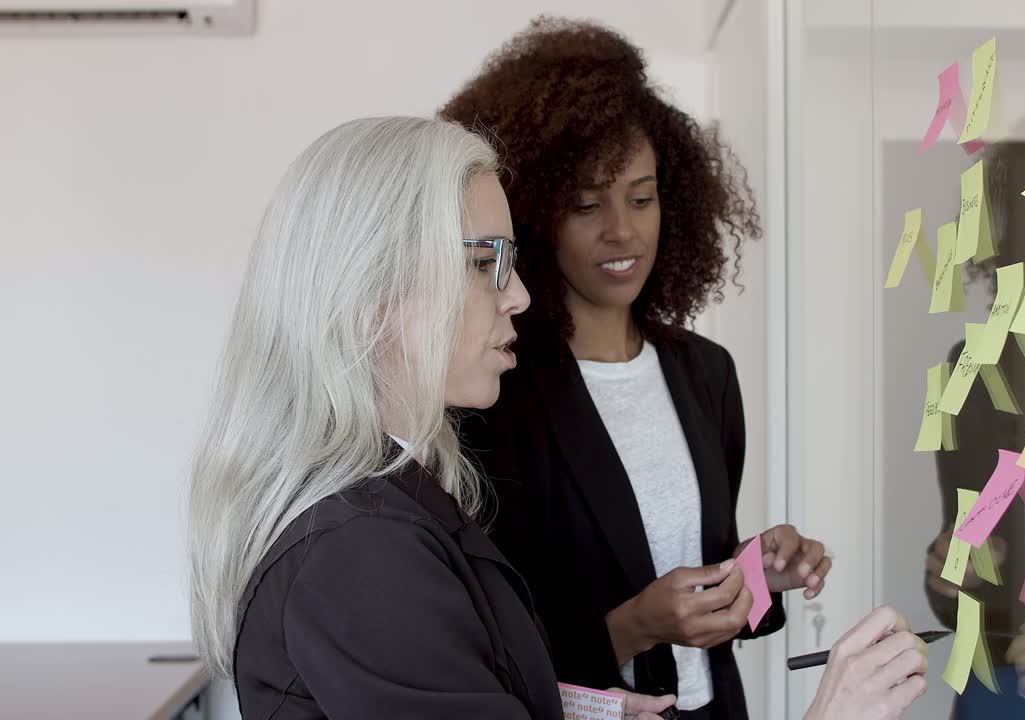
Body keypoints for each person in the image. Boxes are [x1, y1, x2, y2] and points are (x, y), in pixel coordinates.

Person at [187, 116, 927, 719]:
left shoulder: (395, 495)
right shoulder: (357, 551)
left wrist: (578, 710)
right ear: (373, 286)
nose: (518, 298)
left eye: (642, 198)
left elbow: (462, 672)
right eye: (485, 265)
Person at [444, 18, 832, 718]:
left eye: (642, 196)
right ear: (535, 218)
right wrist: (635, 627)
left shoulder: (704, 373)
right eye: (586, 204)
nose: (622, 230)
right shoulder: (497, 391)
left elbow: (701, 574)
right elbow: (484, 639)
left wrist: (757, 575)